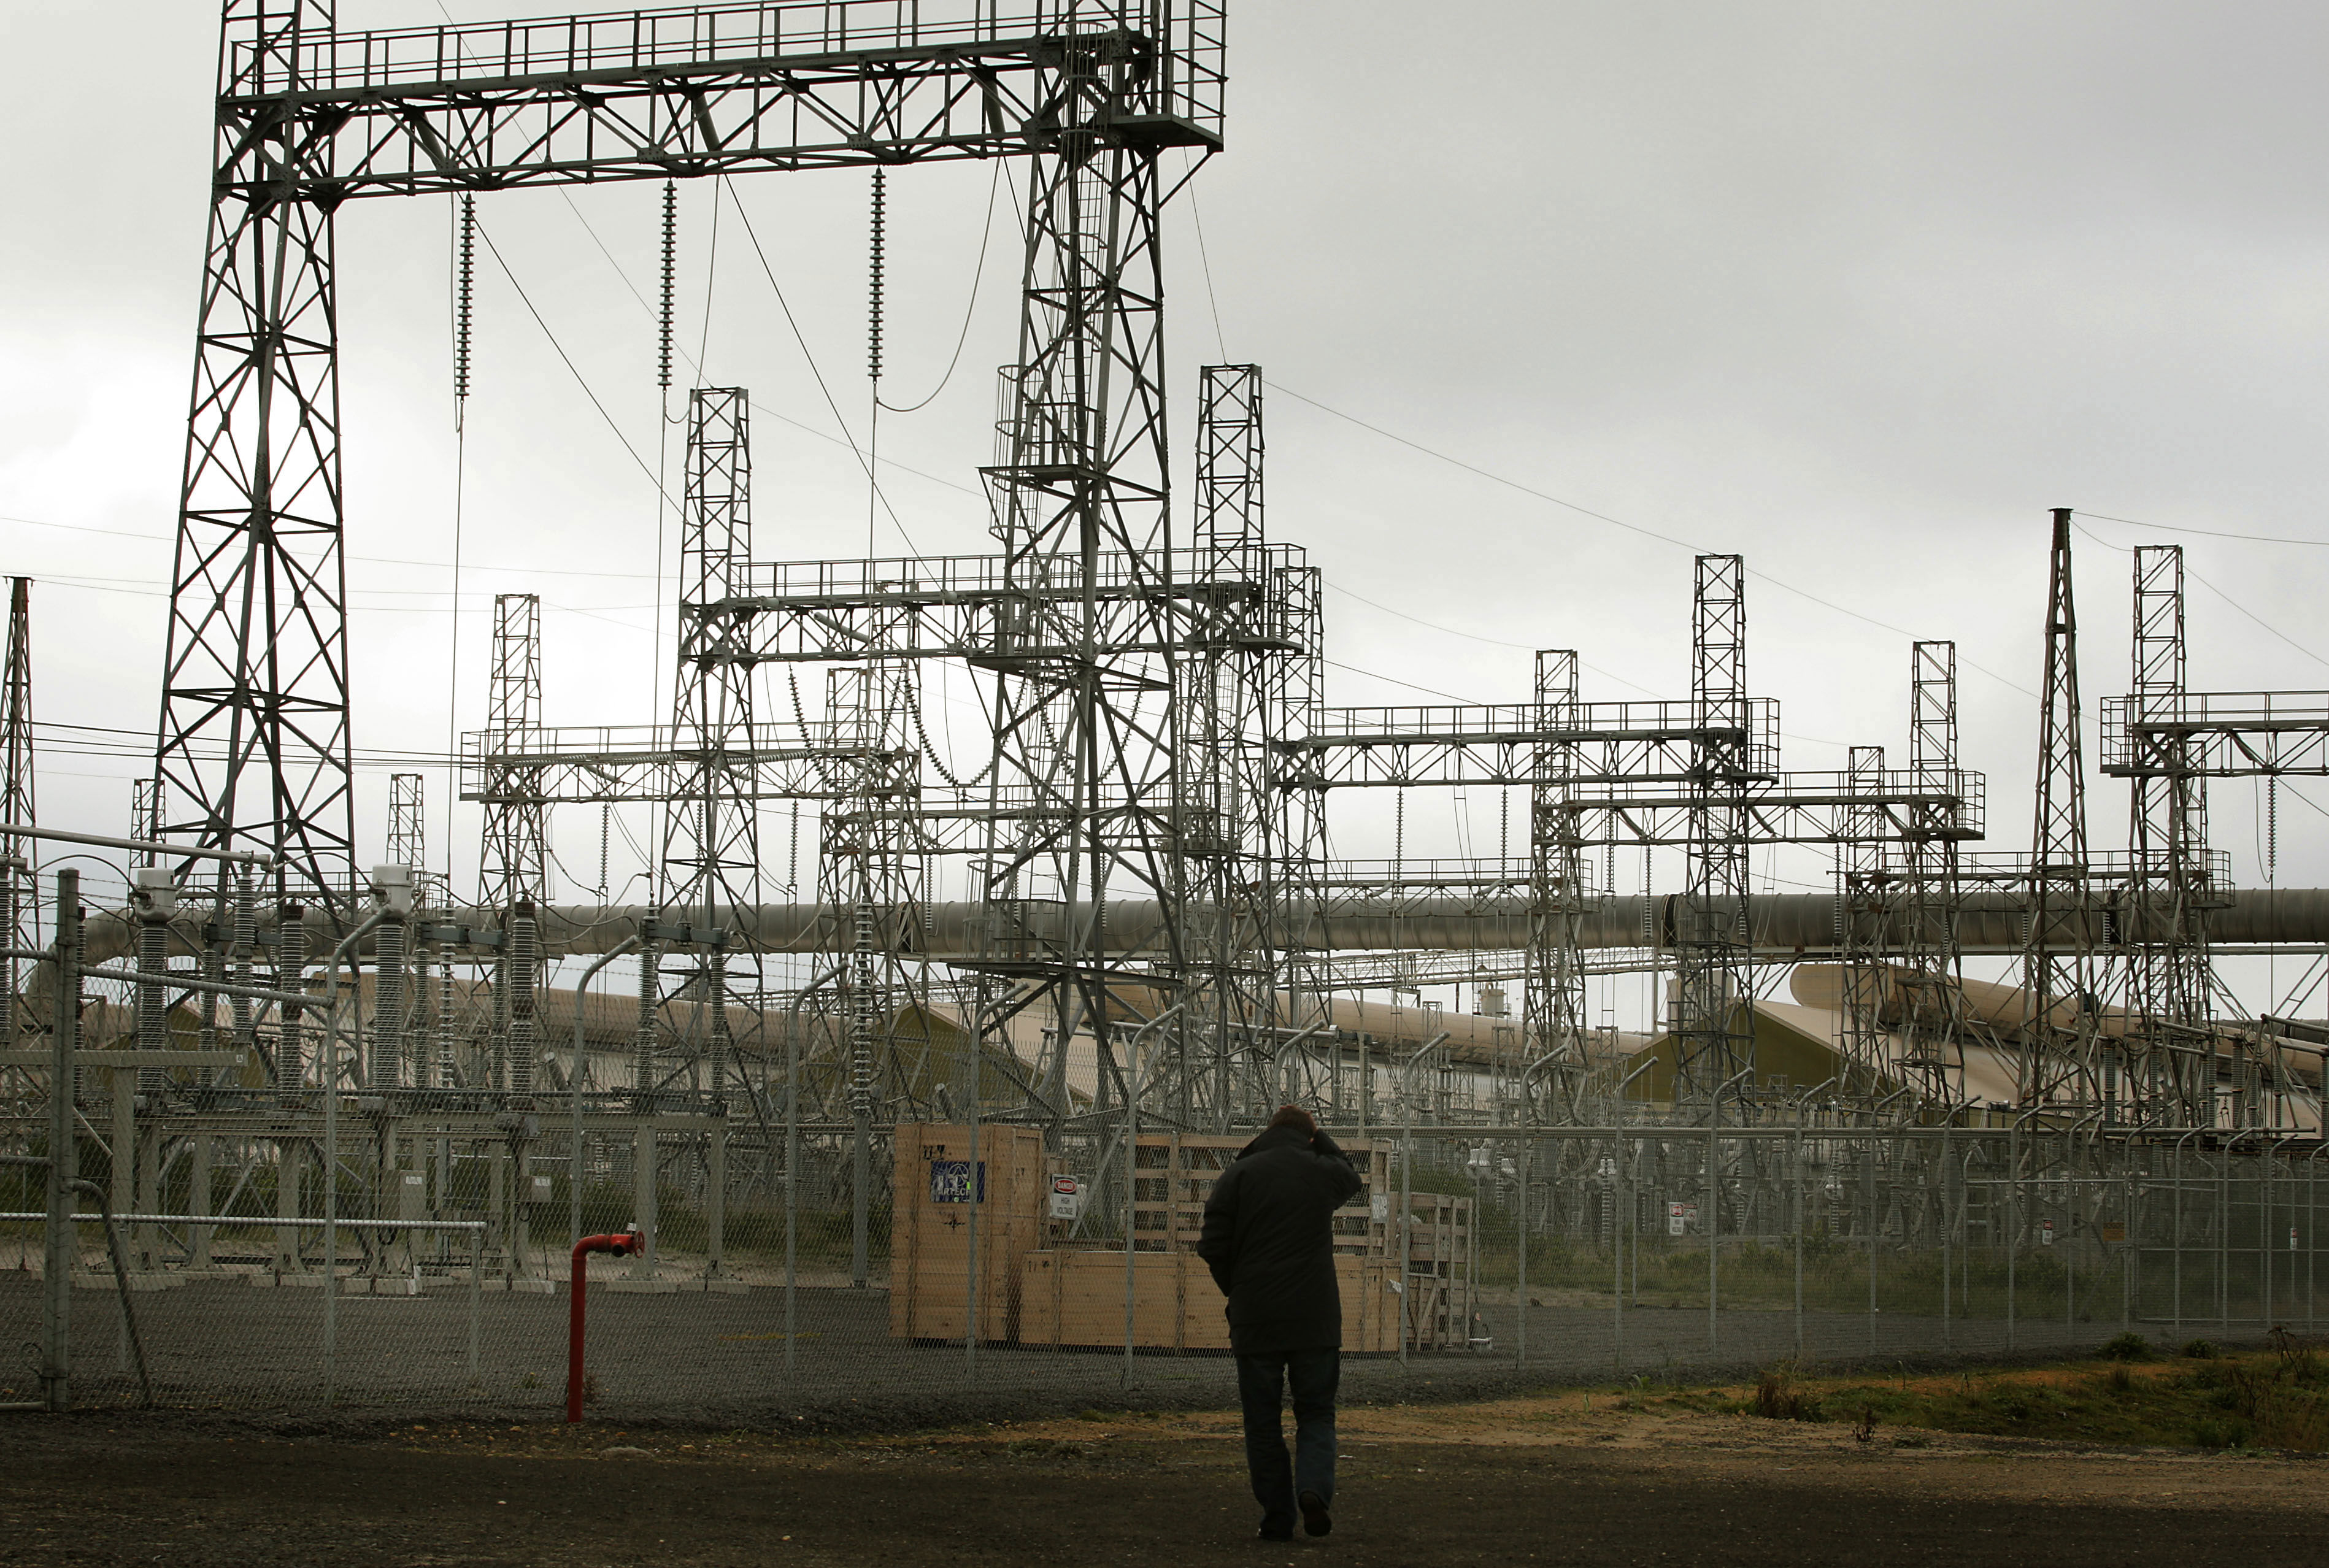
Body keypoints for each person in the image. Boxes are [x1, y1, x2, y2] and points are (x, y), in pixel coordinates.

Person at [1196, 1103, 1364, 1542]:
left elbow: (1212, 1243)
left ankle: (1276, 1516)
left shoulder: (1239, 1175)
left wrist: (1239, 1288)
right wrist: (1320, 1139)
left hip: (1256, 1320)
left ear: (1267, 1133)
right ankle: (1313, 1490)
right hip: (1315, 1318)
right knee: (1317, 1412)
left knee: (1262, 1421)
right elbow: (1352, 1177)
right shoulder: (1319, 1170)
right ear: (1309, 1137)